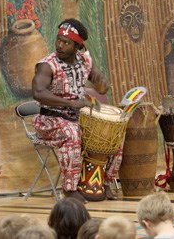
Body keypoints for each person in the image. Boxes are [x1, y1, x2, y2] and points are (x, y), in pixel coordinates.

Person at [32, 18, 120, 202]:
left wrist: (96, 74)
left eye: (66, 42)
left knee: (114, 132)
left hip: (77, 118)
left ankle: (104, 182)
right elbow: (38, 93)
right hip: (50, 120)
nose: (60, 45)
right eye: (58, 40)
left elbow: (102, 89)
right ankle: (70, 189)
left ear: (77, 46)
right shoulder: (47, 65)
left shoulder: (84, 61)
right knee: (72, 134)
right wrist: (70, 104)